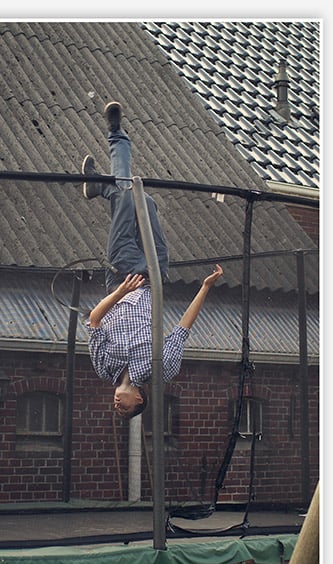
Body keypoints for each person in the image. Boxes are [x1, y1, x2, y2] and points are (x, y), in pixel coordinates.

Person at [83, 101, 223, 419]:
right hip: (154, 279)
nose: (118, 406)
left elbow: (93, 320)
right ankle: (98, 187)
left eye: (116, 407)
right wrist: (204, 287)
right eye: (126, 409)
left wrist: (119, 293)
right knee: (144, 200)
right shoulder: (163, 368)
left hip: (121, 278)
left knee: (126, 194)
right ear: (140, 400)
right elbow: (183, 328)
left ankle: (117, 136)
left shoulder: (104, 367)